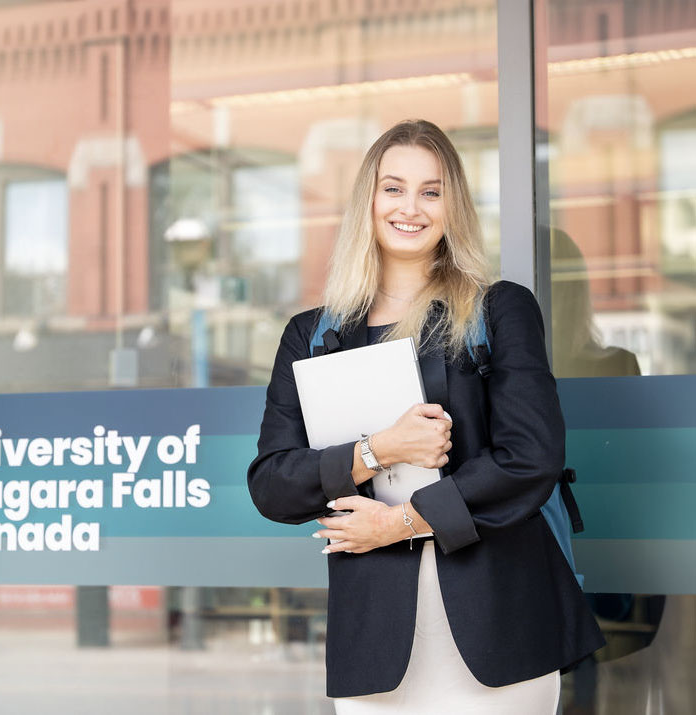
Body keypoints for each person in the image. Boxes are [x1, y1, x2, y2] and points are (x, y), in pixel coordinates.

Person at [247, 119, 604, 713]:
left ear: (451, 206)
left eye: (430, 191)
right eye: (393, 188)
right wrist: (380, 450)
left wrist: (398, 523)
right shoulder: (314, 335)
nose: (410, 207)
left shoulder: (499, 310)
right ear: (368, 199)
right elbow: (272, 485)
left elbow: (531, 460)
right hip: (375, 643)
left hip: (499, 628)